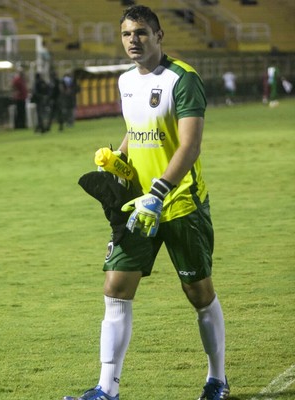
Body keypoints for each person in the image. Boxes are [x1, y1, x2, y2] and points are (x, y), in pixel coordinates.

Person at [63, 5, 229, 400]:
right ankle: (107, 389)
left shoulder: (183, 79)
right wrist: (116, 161)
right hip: (137, 207)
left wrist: (157, 194)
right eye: (126, 34)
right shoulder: (125, 82)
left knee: (199, 293)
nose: (132, 41)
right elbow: (135, 131)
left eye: (140, 33)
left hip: (180, 204)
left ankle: (217, 379)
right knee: (116, 287)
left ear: (158, 36)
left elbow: (189, 146)